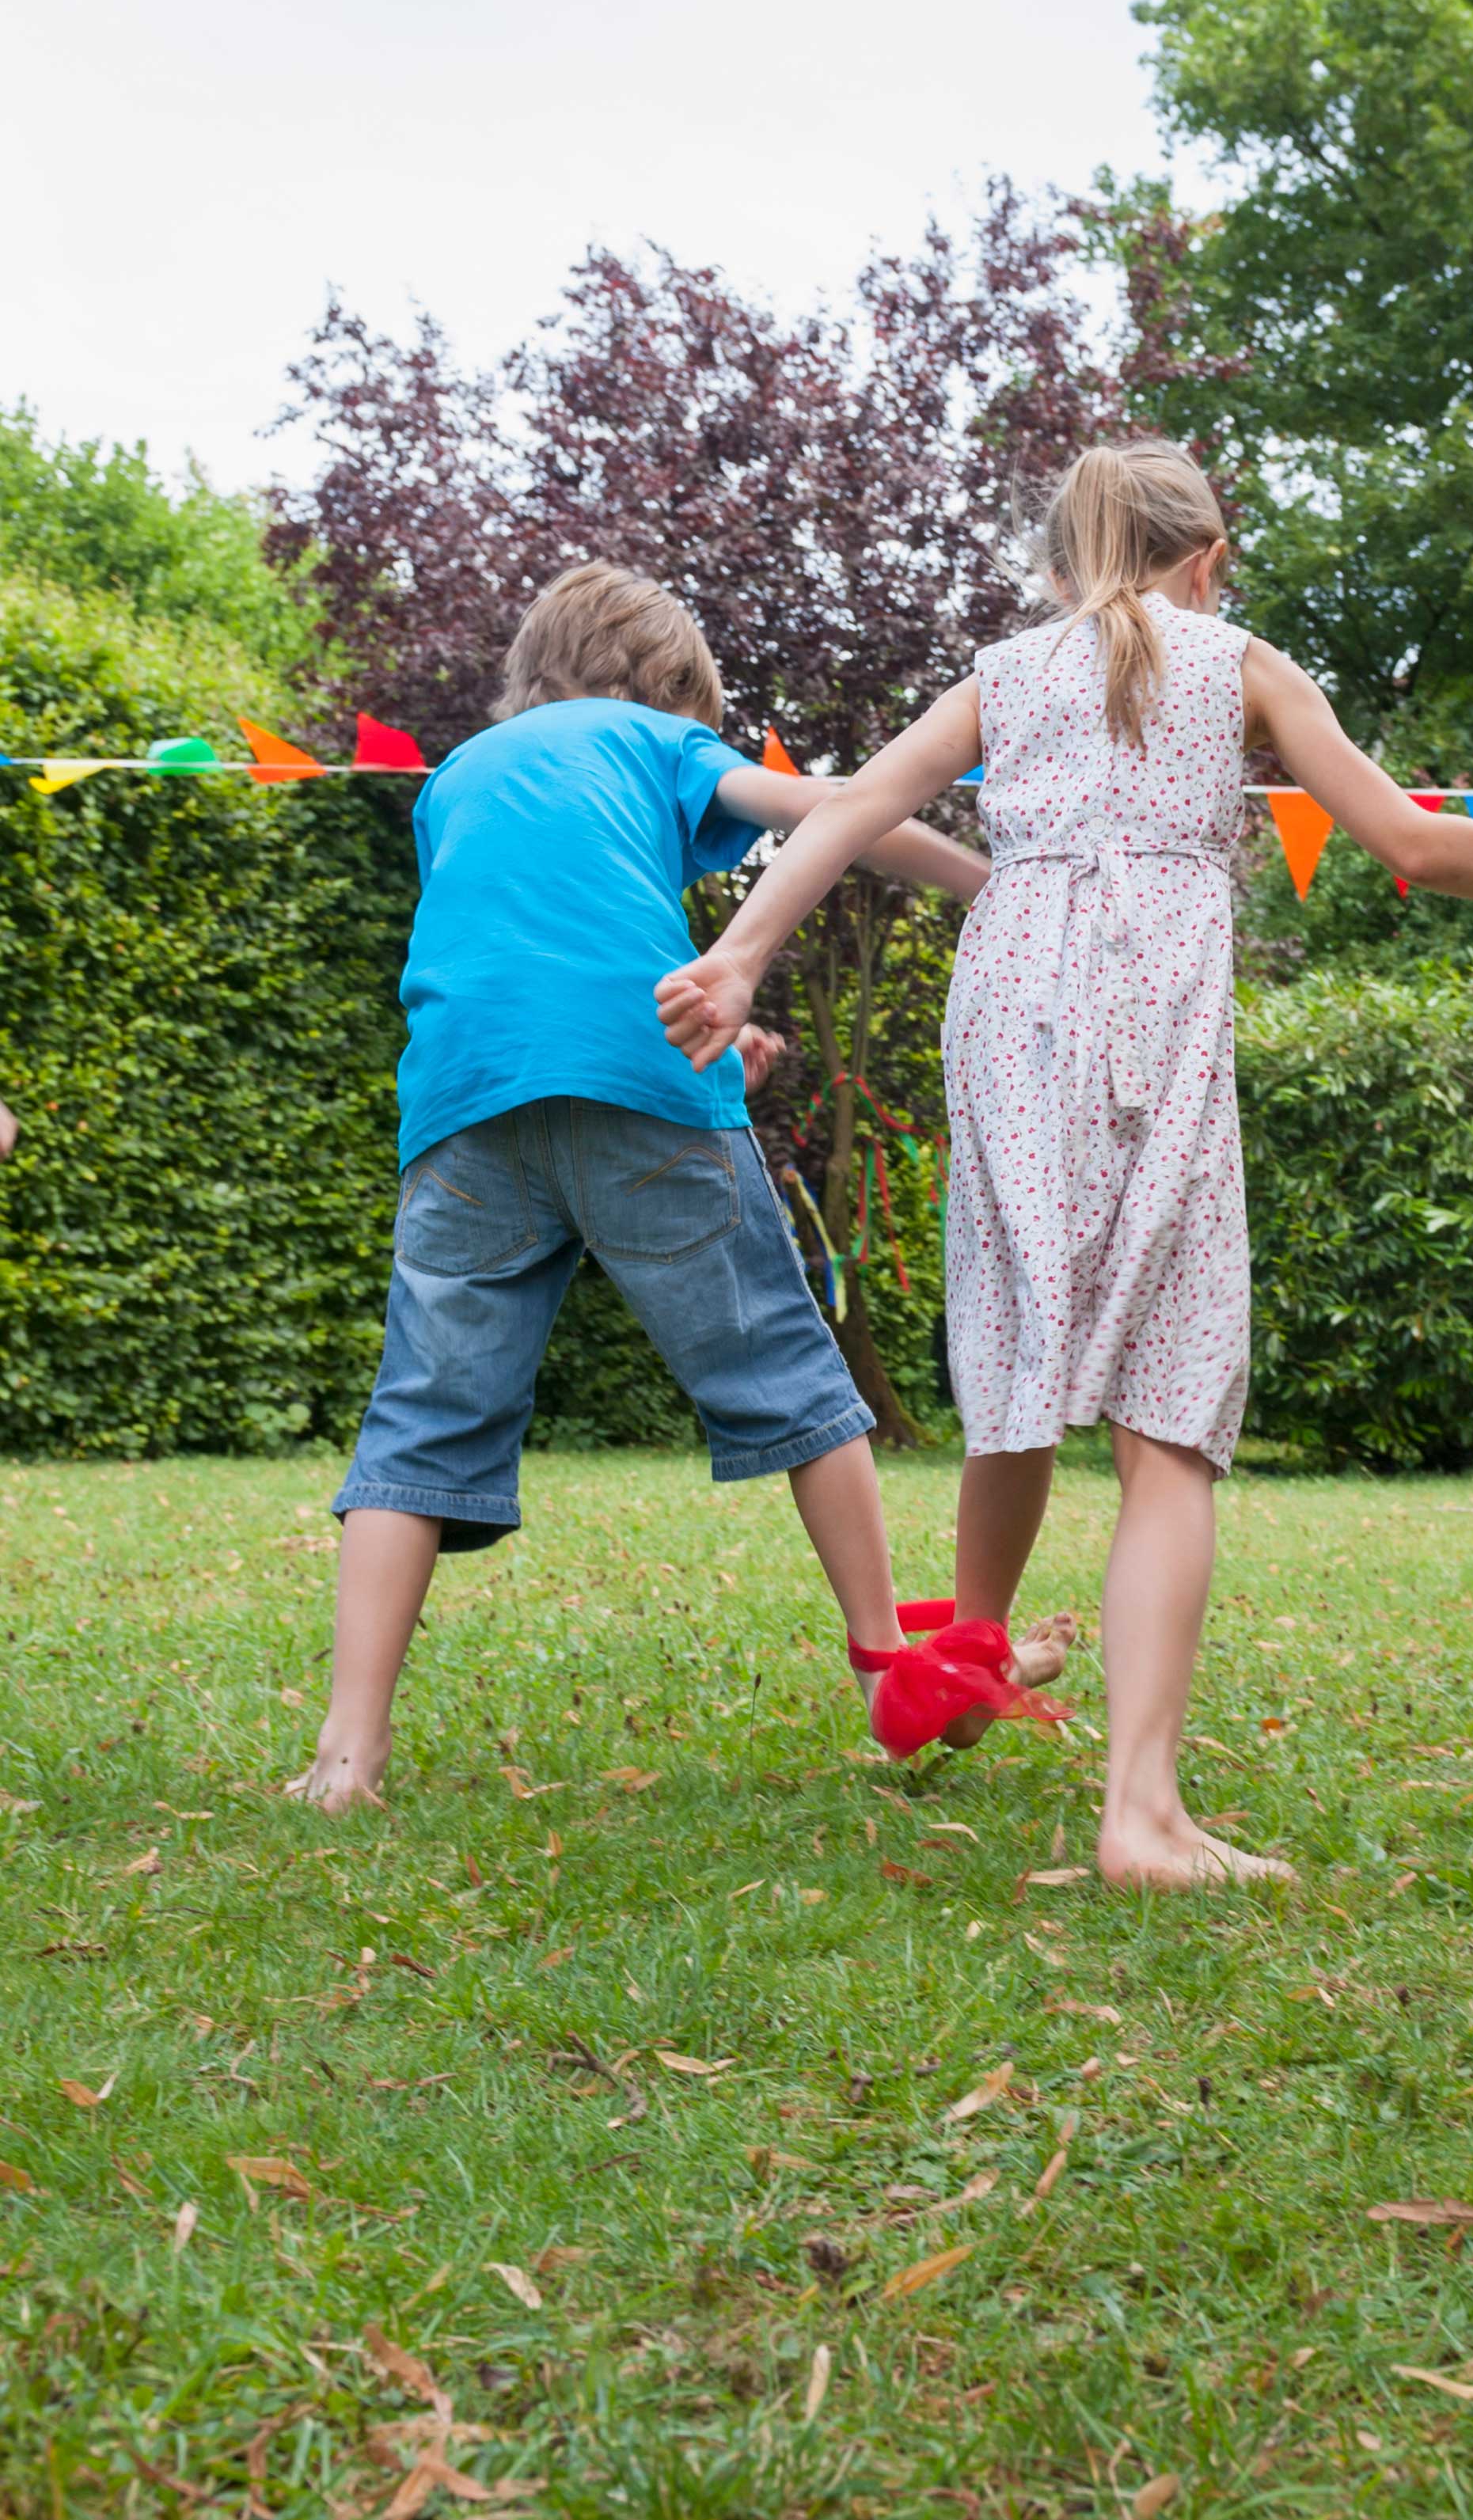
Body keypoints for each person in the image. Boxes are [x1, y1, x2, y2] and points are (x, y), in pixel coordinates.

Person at [655, 441, 1473, 1887]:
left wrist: (741, 955)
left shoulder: (1001, 675)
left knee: (1018, 1354)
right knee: (1167, 1416)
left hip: (1011, 1026)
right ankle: (1142, 1816)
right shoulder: (1241, 663)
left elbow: (845, 810)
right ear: (1207, 558)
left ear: (1067, 564)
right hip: (1152, 1024)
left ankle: (960, 1668)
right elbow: (1407, 844)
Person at [293, 562, 1022, 1812]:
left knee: (420, 1414)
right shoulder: (658, 738)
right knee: (790, 1379)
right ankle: (882, 1662)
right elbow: (835, 812)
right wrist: (984, 881)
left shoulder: (459, 772)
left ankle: (344, 1755)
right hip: (644, 1085)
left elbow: (517, 937)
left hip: (466, 1105)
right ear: (668, 687)